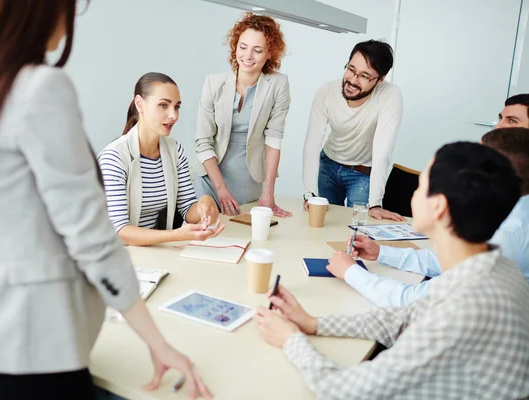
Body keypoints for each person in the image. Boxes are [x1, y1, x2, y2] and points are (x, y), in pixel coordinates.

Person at [0, 2, 211, 399]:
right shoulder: (39, 89)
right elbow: (93, 236)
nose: (72, 14)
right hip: (27, 341)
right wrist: (157, 342)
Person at [255, 142, 529, 398]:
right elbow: (402, 319)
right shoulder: (493, 266)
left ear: (438, 207)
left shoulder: (464, 307)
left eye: (421, 185)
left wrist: (291, 340)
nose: (413, 193)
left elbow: (343, 390)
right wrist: (313, 324)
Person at [327, 127, 529, 307]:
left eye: (422, 186)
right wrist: (380, 253)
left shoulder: (507, 238)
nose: (413, 194)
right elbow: (444, 263)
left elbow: (413, 302)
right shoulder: (503, 221)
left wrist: (352, 273)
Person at [98, 73, 224, 246]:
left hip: (152, 252)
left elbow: (187, 208)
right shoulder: (115, 157)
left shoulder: (175, 151)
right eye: (163, 105)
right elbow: (120, 231)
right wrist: (176, 235)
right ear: (139, 104)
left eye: (177, 107)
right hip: (119, 255)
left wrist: (206, 202)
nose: (173, 115)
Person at [194, 12, 291, 218]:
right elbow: (203, 142)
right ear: (235, 47)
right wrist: (220, 189)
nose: (247, 56)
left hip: (249, 185)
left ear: (269, 54)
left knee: (244, 241)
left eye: (257, 50)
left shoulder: (278, 85)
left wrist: (268, 193)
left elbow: (273, 140)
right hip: (210, 183)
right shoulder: (213, 83)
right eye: (243, 47)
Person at [302, 40, 404, 222]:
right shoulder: (327, 92)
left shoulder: (389, 95)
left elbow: (382, 151)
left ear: (380, 80)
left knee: (358, 230)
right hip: (328, 165)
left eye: (364, 76)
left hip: (362, 173)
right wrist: (309, 193)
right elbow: (312, 143)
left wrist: (375, 203)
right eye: (351, 69)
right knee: (324, 225)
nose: (352, 81)